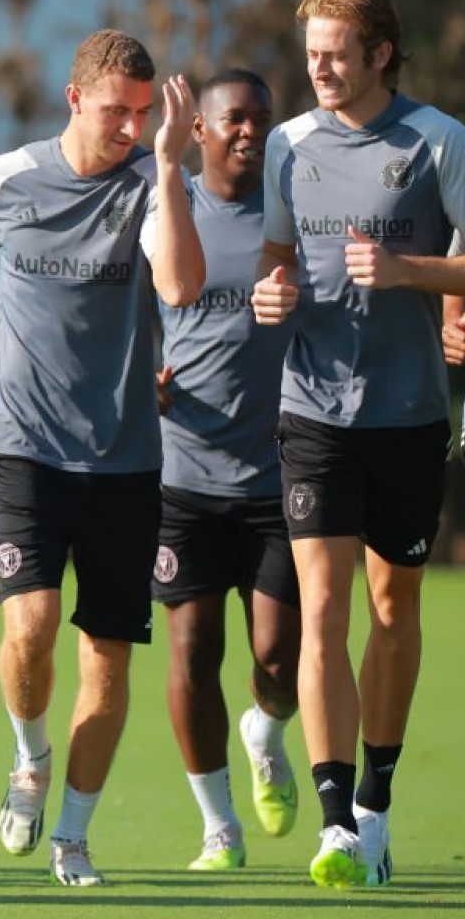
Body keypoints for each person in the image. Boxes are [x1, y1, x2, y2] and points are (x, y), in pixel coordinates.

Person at [0, 29, 203, 886]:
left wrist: (174, 166)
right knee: (29, 629)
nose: (132, 127)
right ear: (74, 99)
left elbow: (180, 287)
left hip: (125, 461)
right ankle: (29, 756)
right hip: (26, 449)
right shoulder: (4, 178)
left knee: (106, 661)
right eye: (119, 111)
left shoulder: (153, 183)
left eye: (146, 114)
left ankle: (73, 835)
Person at [249, 0, 465, 889]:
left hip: (412, 414)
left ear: (381, 52)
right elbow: (276, 255)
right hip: (312, 412)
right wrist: (274, 291)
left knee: (394, 611)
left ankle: (379, 803)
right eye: (311, 52)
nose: (320, 68)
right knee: (325, 611)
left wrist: (410, 270)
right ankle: (337, 818)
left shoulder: (440, 142)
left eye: (337, 53)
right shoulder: (287, 144)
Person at [152, 70, 302, 871]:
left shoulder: (295, 212)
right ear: (202, 132)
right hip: (185, 473)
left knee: (279, 661)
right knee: (191, 648)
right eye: (234, 120)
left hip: (282, 476)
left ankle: (266, 730)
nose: (250, 132)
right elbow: (111, 306)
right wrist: (140, 374)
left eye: (262, 121)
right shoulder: (165, 203)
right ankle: (218, 825)